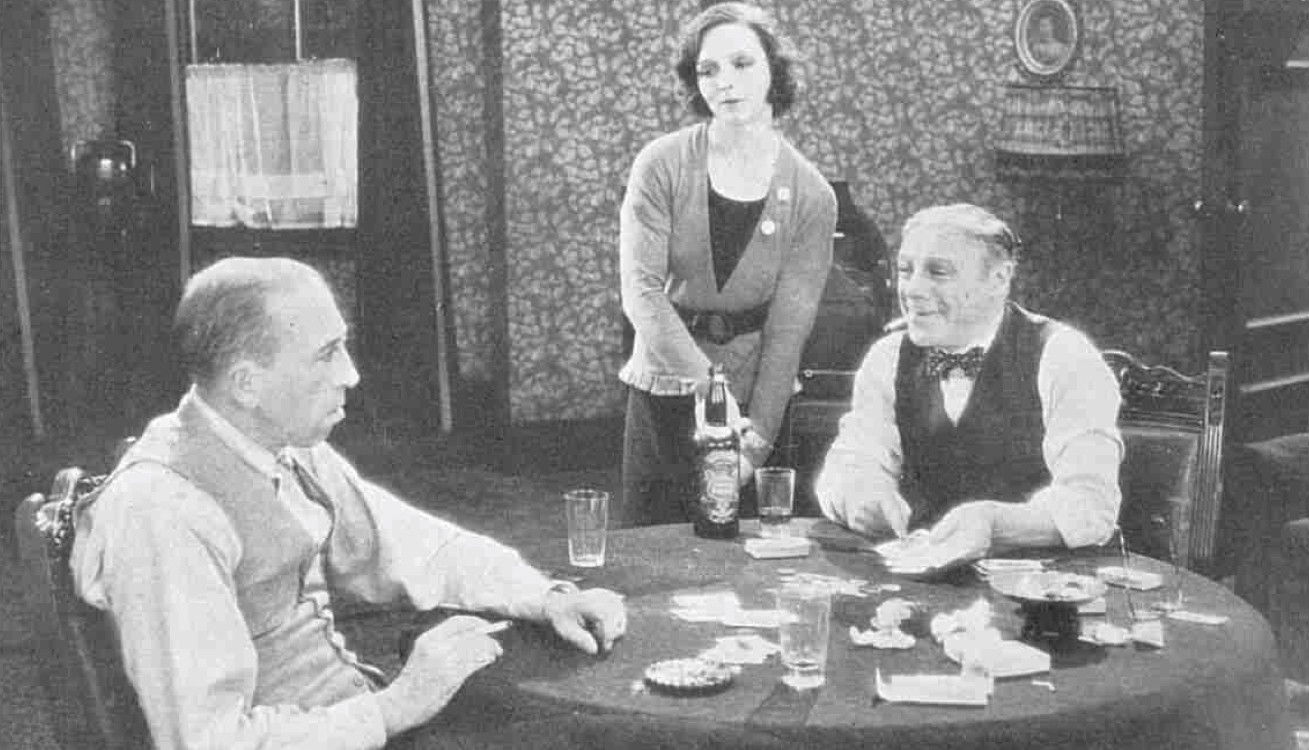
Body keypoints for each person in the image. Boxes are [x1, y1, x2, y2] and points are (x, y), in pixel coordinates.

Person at [69, 257, 627, 749]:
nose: (351, 375)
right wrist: (397, 706)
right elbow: (209, 742)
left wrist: (545, 597)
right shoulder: (163, 510)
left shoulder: (282, 444)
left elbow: (419, 548)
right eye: (326, 355)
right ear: (246, 384)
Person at [619, 1, 836, 526]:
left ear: (773, 70)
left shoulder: (812, 194)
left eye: (742, 63)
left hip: (759, 396)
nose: (725, 82)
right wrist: (709, 391)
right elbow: (641, 293)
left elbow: (788, 329)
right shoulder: (660, 164)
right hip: (668, 383)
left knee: (752, 556)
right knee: (653, 549)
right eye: (708, 70)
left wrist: (756, 444)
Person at [816, 203, 1123, 565]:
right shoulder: (888, 356)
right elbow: (849, 463)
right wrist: (861, 495)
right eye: (906, 270)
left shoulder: (1065, 356)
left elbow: (1092, 504)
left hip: (1040, 584)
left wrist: (995, 523)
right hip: (918, 582)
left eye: (938, 272)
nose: (912, 290)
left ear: (998, 279)